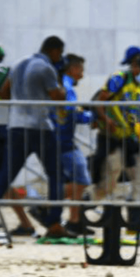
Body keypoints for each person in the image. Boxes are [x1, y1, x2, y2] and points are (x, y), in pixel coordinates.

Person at [0, 36, 73, 239]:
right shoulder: (46, 68)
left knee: (4, 176)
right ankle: (54, 223)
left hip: (16, 126)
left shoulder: (19, 63)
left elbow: (4, 93)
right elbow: (57, 96)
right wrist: (61, 85)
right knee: (55, 175)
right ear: (54, 51)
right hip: (40, 126)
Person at [91, 53, 140, 232]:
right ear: (135, 67)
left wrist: (138, 128)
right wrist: (107, 120)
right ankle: (82, 208)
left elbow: (131, 112)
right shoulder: (119, 79)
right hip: (111, 138)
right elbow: (99, 102)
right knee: (108, 182)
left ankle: (134, 225)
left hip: (128, 139)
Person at [54, 54, 93, 235]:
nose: (82, 75)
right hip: (64, 140)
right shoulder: (67, 86)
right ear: (73, 69)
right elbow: (72, 113)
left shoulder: (61, 83)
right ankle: (46, 206)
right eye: (81, 70)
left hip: (60, 139)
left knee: (72, 180)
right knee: (81, 179)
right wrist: (93, 116)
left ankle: (73, 219)